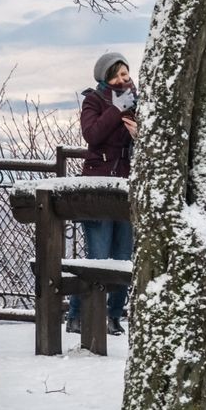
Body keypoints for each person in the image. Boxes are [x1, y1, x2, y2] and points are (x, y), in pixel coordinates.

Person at [66, 52, 139, 336]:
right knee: (97, 256)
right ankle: (76, 316)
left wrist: (139, 133)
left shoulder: (137, 100)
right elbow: (92, 135)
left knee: (123, 257)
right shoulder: (93, 101)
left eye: (125, 73)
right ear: (105, 78)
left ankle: (113, 316)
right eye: (116, 75)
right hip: (97, 187)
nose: (123, 79)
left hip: (127, 187)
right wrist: (116, 109)